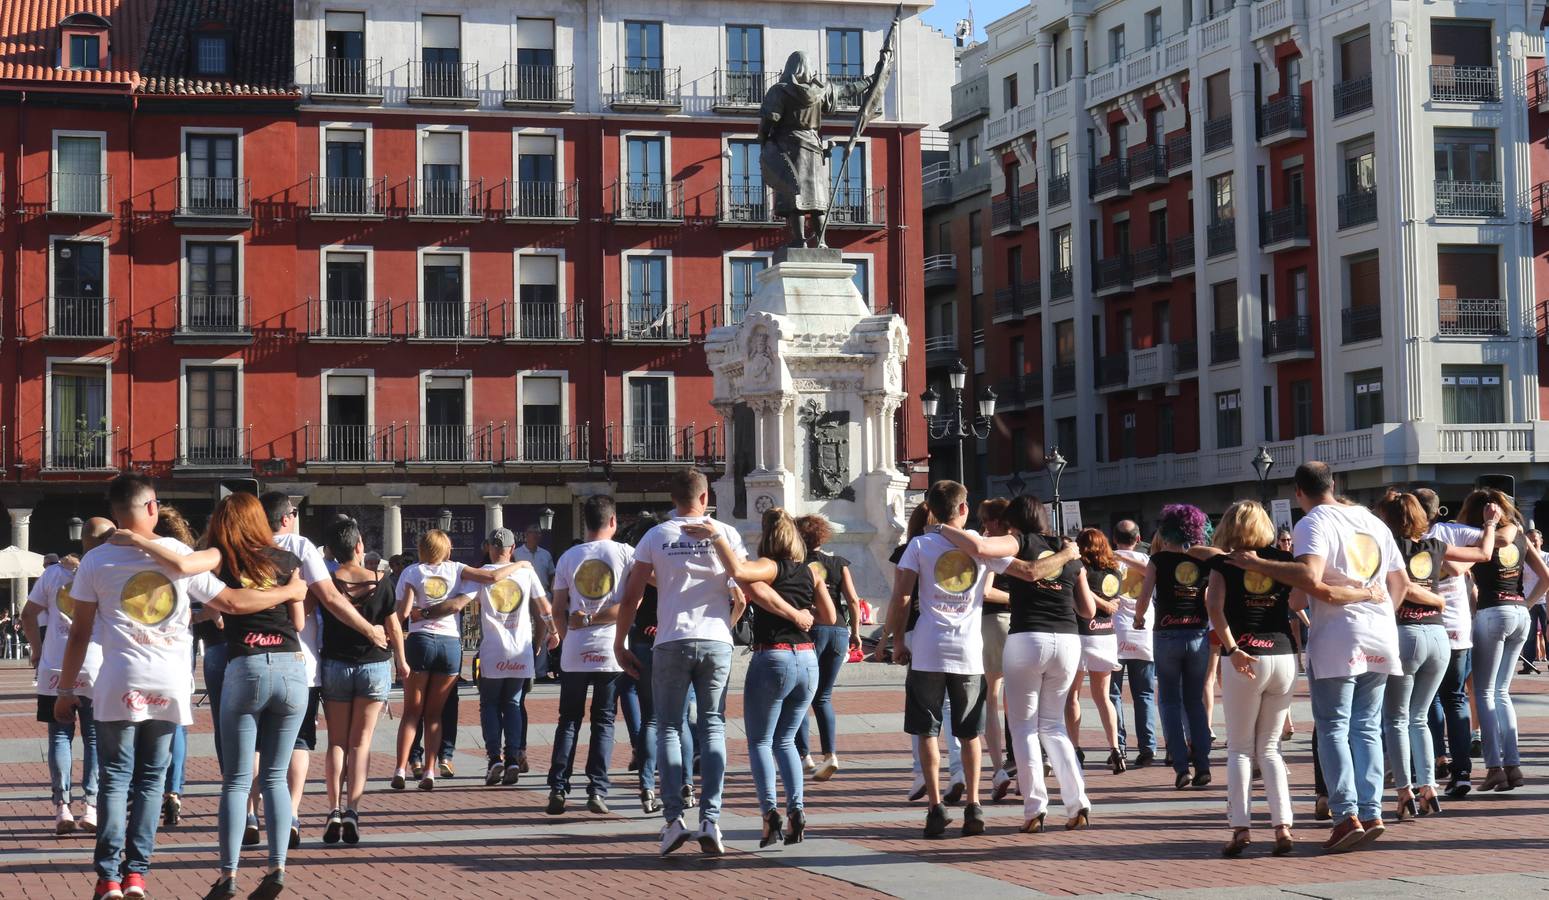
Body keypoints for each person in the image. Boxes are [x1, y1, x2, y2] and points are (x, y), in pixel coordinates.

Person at [58, 475, 304, 900]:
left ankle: (109, 878)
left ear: (116, 512)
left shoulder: (96, 562)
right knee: (153, 781)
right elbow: (229, 602)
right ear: (152, 508)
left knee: (115, 781)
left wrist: (65, 688)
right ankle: (137, 874)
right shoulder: (178, 553)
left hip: (118, 682)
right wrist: (289, 591)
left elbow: (79, 634)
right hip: (169, 684)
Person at [1228, 462, 1407, 854]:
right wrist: (1381, 616)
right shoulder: (1372, 521)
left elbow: (1309, 576)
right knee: (1366, 726)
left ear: (1298, 491)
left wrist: (1257, 564)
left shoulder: (1315, 521)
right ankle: (1371, 809)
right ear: (1335, 484)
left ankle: (1345, 816)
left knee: (1334, 726)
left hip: (1340, 636)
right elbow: (1401, 582)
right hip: (1380, 633)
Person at [934, 495, 1093, 833]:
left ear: (1015, 521)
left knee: (1023, 728)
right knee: (1054, 726)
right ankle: (1077, 803)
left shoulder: (1019, 541)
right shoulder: (1069, 549)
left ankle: (1035, 809)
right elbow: (1087, 610)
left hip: (1028, 638)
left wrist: (941, 526)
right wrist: (1064, 568)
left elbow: (980, 546)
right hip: (1067, 640)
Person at [615, 468, 748, 857]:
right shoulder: (727, 534)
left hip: (671, 640)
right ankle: (712, 818)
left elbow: (632, 594)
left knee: (669, 728)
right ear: (705, 497)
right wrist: (729, 624)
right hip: (715, 640)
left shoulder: (656, 536)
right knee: (712, 726)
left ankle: (673, 820)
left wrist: (620, 642)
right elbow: (741, 593)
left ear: (672, 499)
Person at [690, 507, 835, 846]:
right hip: (807, 660)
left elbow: (740, 573)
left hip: (774, 656)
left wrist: (716, 536)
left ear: (767, 537)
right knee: (786, 740)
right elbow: (828, 616)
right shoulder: (810, 572)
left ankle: (770, 813)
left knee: (760, 741)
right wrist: (805, 607)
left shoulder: (769, 566)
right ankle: (797, 808)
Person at [888, 480, 1017, 838]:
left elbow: (901, 597)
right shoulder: (982, 547)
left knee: (927, 731)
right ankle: (974, 804)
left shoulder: (919, 544)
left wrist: (898, 640)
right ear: (963, 509)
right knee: (969, 732)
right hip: (967, 651)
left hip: (928, 648)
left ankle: (935, 807)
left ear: (930, 507)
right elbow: (1020, 570)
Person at [259, 493, 387, 847]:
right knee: (312, 742)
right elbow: (325, 599)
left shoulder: (245, 546)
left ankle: (256, 815)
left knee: (260, 747)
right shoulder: (301, 547)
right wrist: (370, 630)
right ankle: (318, 813)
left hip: (252, 655)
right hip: (304, 663)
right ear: (286, 518)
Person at [1200, 501, 1301, 857]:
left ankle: (1241, 828)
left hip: (1244, 654)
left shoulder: (1224, 563)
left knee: (1240, 748)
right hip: (1283, 654)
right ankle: (1282, 826)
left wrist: (1231, 648)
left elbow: (1214, 606)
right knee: (1270, 747)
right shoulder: (1283, 560)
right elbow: (1300, 599)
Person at [393, 529, 523, 791]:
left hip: (420, 642)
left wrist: (397, 649)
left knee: (411, 712)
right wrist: (520, 563)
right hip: (449, 643)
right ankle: (430, 769)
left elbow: (403, 613)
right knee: (434, 714)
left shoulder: (411, 572)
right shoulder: (457, 569)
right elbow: (492, 576)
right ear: (446, 549)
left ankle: (400, 769)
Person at [319, 518, 408, 845]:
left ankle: (333, 809)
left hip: (335, 666)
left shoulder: (328, 583)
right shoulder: (382, 580)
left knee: (336, 743)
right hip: (373, 665)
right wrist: (402, 660)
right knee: (361, 743)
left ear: (331, 551)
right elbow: (394, 626)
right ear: (359, 547)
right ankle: (353, 810)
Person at [1457, 488, 1548, 791]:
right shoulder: (1519, 534)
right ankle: (1513, 765)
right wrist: (1527, 604)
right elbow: (1546, 577)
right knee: (1502, 692)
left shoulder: (1480, 537)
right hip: (1519, 611)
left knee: (1483, 691)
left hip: (1491, 612)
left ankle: (1494, 766)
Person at [547, 498, 632, 814]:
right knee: (604, 720)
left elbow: (558, 609)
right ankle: (597, 790)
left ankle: (558, 788)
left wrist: (571, 634)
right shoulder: (625, 553)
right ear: (613, 521)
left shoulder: (568, 557)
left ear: (586, 523)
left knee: (568, 719)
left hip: (575, 652)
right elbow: (631, 604)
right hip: (610, 650)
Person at [24, 520, 109, 836]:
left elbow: (27, 615)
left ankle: (62, 808)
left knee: (60, 736)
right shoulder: (105, 571)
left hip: (54, 669)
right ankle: (92, 805)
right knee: (94, 738)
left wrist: (36, 649)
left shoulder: (51, 574)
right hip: (95, 668)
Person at [1373, 491, 1450, 821]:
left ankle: (1404, 791)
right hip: (1438, 635)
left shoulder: (1388, 548)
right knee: (1419, 717)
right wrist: (1436, 599)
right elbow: (1458, 567)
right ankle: (1429, 787)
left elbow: (1395, 586)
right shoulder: (1436, 547)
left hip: (1405, 632)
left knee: (1396, 719)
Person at [1413, 487, 1493, 798]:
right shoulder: (1451, 532)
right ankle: (1461, 772)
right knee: (1455, 698)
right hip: (1457, 628)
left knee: (1428, 700)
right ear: (1437, 510)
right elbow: (1496, 541)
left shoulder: (1406, 539)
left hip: (1424, 627)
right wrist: (1488, 525)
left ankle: (1438, 757)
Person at [619, 514, 694, 816]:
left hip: (644, 639)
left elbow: (631, 603)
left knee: (651, 720)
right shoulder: (676, 562)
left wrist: (621, 640)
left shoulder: (638, 565)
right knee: (680, 720)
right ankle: (686, 783)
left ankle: (648, 786)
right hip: (676, 638)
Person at [1134, 504, 1214, 789]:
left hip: (1167, 633)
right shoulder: (1205, 559)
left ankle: (1181, 766)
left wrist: (1139, 618)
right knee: (1194, 701)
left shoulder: (1158, 560)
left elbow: (1144, 597)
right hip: (1197, 632)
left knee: (1168, 700)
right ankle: (1203, 763)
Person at [473, 529, 553, 788]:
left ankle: (495, 757)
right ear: (512, 548)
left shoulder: (482, 572)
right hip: (520, 649)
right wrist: (548, 635)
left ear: (489, 547)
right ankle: (514, 758)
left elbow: (460, 602)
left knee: (490, 705)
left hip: (493, 649)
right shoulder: (526, 571)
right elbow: (544, 608)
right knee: (513, 704)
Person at [792, 514, 861, 783]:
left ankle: (805, 756)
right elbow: (853, 600)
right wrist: (855, 632)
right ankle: (830, 755)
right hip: (839, 631)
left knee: (801, 696)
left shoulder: (799, 564)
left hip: (812, 629)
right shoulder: (839, 563)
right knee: (824, 696)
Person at [149, 505, 199, 829]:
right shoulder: (187, 563)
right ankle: (174, 790)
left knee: (146, 724)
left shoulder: (138, 559)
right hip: (179, 651)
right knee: (178, 723)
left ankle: (149, 791)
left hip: (142, 652)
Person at [968, 500, 1016, 799]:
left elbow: (986, 590)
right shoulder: (1020, 542)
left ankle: (999, 766)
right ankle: (1024, 764)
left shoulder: (991, 544)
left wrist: (1012, 598)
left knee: (992, 695)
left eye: (986, 521)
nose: (983, 526)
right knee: (1021, 698)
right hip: (1023, 624)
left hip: (994, 620)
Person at [1069, 528, 1124, 774]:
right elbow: (1112, 601)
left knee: (1073, 695)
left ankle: (1075, 748)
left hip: (1081, 634)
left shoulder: (1080, 569)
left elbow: (1080, 592)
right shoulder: (1114, 571)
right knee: (1104, 697)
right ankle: (1115, 748)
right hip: (1105, 635)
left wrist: (1097, 602)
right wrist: (1105, 604)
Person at [1110, 519, 1156, 768]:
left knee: (1113, 694)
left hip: (1115, 634)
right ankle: (1148, 747)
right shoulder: (1148, 562)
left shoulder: (1107, 559)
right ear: (1138, 539)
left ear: (1114, 537)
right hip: (1143, 633)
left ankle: (1118, 746)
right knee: (1144, 694)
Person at [1523, 528, 1548, 669]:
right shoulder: (1523, 559)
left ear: (1541, 541)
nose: (1532, 543)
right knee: (1529, 634)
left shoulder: (1547, 557)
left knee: (1547, 633)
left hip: (1545, 601)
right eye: (1529, 541)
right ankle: (1528, 664)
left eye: (1535, 541)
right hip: (1528, 601)